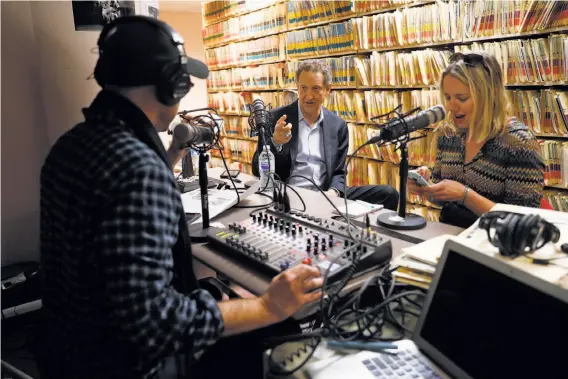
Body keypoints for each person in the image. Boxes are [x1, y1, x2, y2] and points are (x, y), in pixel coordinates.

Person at [35, 16, 322, 379]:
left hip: (67, 355)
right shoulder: (137, 169)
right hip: (128, 366)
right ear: (171, 85)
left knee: (221, 292)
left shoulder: (70, 146)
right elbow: (155, 325)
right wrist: (269, 305)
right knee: (276, 331)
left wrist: (171, 154)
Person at [408, 51, 544, 228]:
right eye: (447, 97)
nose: (451, 106)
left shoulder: (519, 143)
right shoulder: (448, 132)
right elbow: (445, 201)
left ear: (488, 96)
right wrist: (428, 187)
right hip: (449, 237)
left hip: (493, 246)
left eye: (462, 98)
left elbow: (521, 223)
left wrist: (466, 196)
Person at [252, 59, 399, 211]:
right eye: (303, 88)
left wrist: (333, 192)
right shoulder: (275, 118)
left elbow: (338, 173)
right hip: (289, 193)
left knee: (388, 194)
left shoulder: (338, 125)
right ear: (297, 87)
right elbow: (257, 169)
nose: (308, 96)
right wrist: (275, 142)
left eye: (316, 89)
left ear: (328, 90)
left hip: (325, 194)